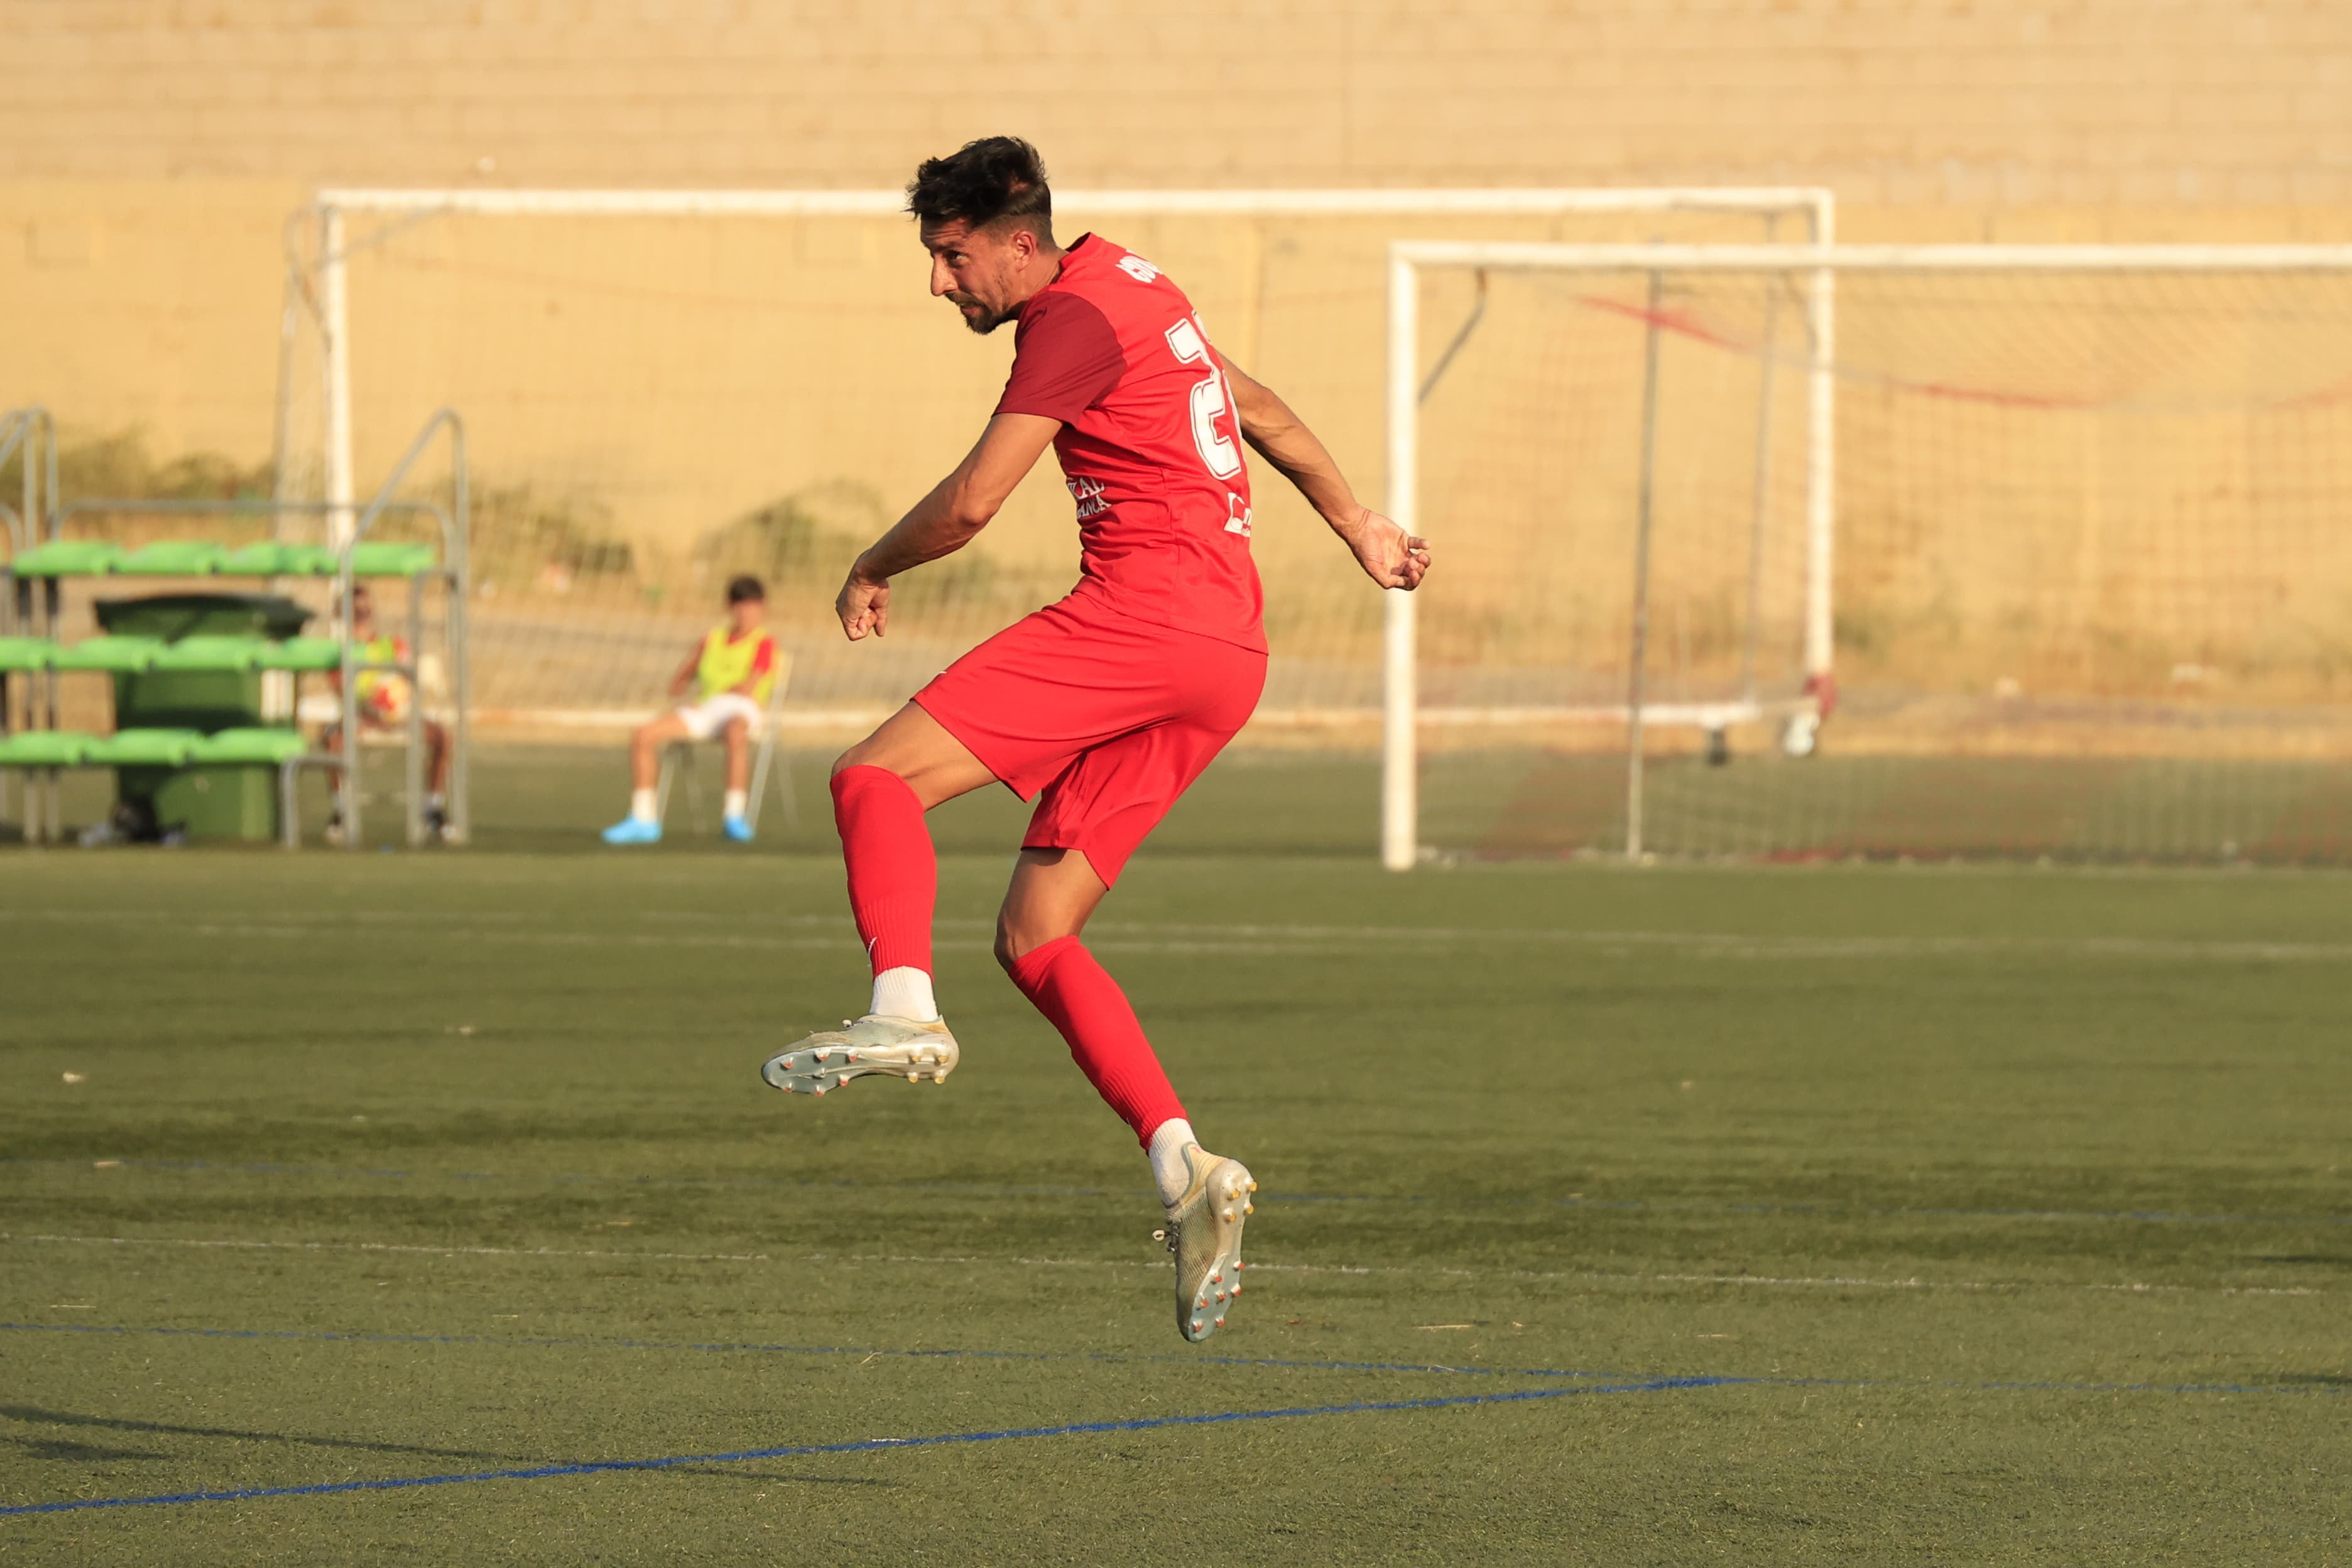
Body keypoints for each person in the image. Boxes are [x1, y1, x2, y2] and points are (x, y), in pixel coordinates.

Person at [757, 137, 1430, 1343]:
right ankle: (1184, 1167)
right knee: (1034, 936)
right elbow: (1261, 412)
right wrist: (1356, 523)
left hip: (1142, 620)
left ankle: (902, 1005)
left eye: (950, 256)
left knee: (871, 777)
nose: (938, 282)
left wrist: (870, 563)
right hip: (1225, 655)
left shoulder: (1066, 319)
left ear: (1019, 242)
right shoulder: (1138, 288)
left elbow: (972, 501)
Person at [602, 575, 780, 845]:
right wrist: (685, 687)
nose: (746, 613)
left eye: (752, 606)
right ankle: (643, 818)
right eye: (741, 605)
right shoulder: (712, 639)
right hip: (707, 708)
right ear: (730, 607)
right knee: (643, 734)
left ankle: (734, 816)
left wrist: (722, 692)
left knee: (735, 732)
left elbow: (749, 686)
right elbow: (679, 682)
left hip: (743, 709)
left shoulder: (764, 642)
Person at [324, 582, 451, 843]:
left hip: (399, 718)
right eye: (355, 610)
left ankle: (432, 808)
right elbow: (339, 689)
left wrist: (400, 709)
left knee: (442, 737)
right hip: (361, 716)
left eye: (365, 609)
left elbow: (409, 684)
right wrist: (368, 713)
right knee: (332, 739)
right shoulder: (338, 652)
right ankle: (341, 810)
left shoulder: (393, 646)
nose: (362, 614)